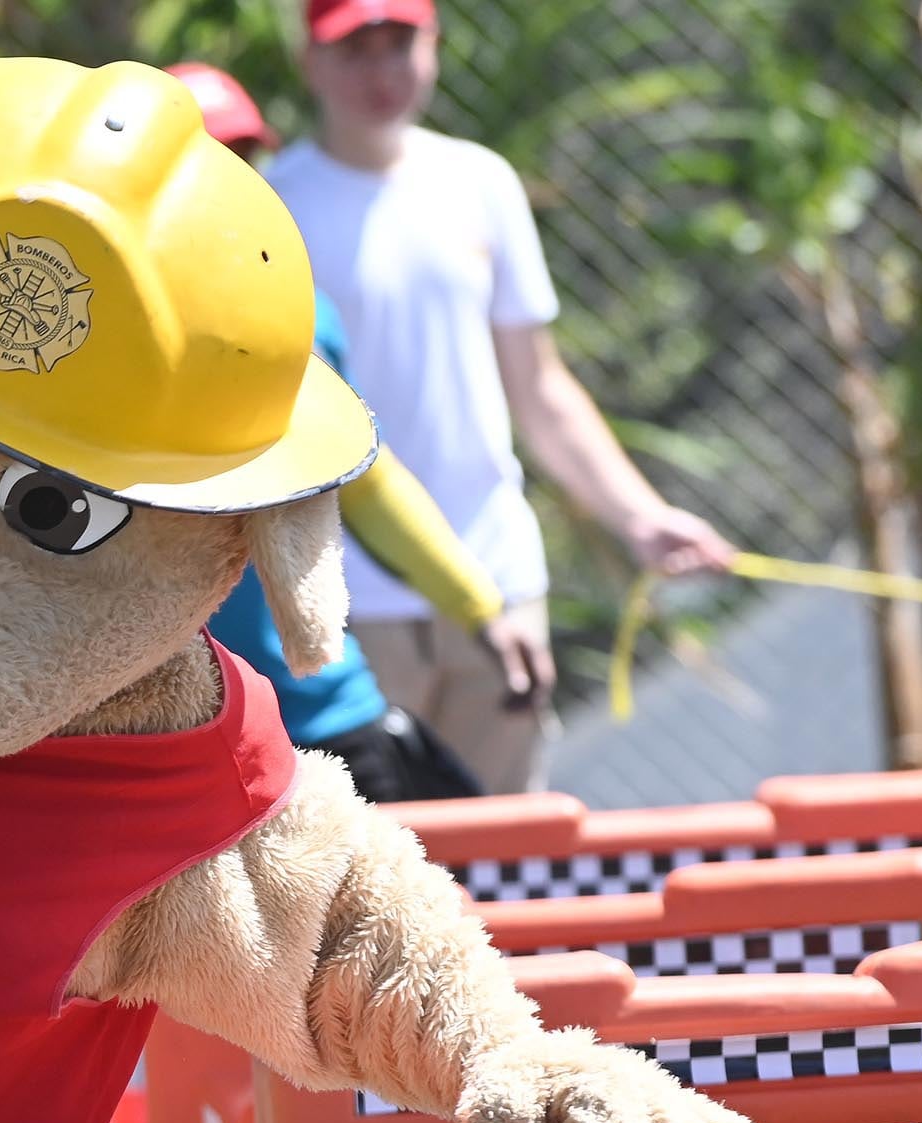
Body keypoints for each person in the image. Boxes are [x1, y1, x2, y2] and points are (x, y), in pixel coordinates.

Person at [262, 0, 734, 791]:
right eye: (354, 50)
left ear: (435, 47)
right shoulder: (271, 204)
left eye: (399, 44)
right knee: (371, 865)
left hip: (497, 578)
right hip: (343, 601)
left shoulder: (480, 182)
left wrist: (639, 516)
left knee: (505, 854)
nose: (380, 72)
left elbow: (539, 387)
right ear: (310, 60)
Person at [172, 59, 529, 802]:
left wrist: (477, 609)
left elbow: (365, 479)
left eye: (240, 160)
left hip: (316, 713)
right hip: (169, 722)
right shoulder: (88, 331)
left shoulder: (296, 313)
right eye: (197, 162)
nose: (223, 182)